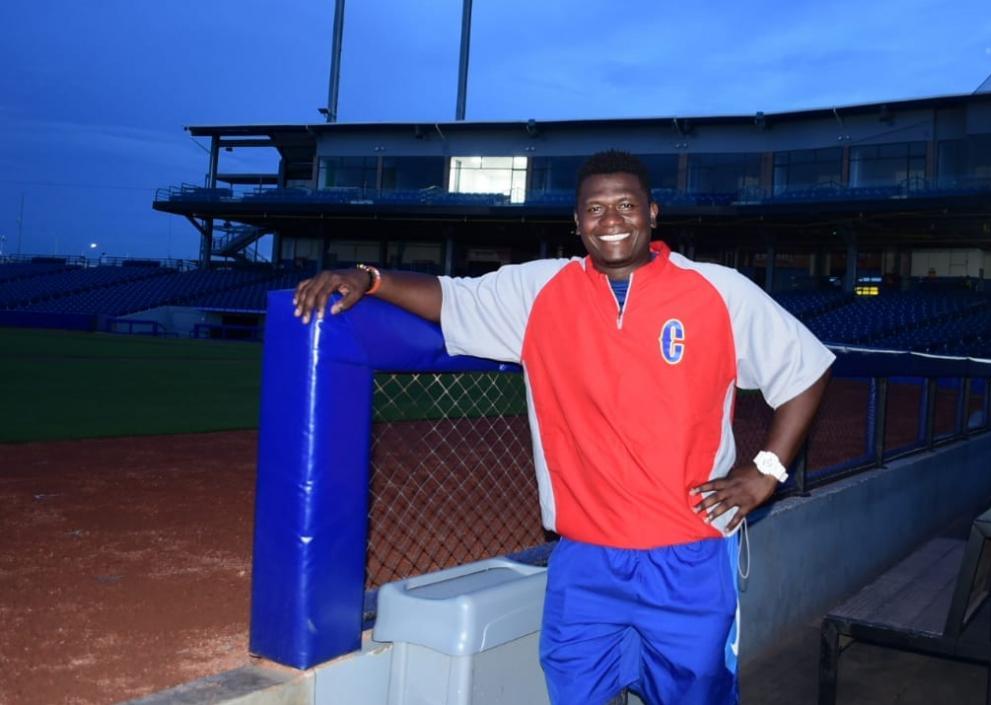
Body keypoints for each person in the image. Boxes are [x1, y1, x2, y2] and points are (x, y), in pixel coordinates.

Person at [293, 150, 834, 705]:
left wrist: (767, 471)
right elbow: (449, 295)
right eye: (595, 209)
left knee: (696, 696)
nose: (612, 220)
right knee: (574, 693)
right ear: (576, 223)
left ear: (653, 212)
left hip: (689, 554)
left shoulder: (718, 291)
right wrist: (368, 277)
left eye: (625, 205)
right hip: (584, 559)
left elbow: (805, 368)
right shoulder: (539, 291)